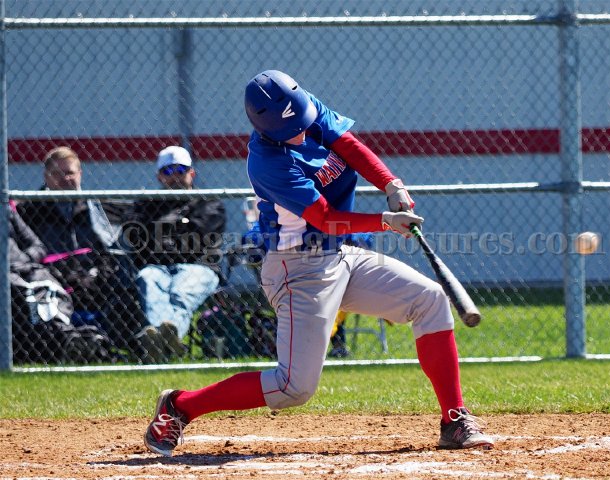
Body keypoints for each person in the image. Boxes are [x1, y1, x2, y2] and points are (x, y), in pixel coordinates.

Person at [143, 70, 493, 456]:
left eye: (302, 123)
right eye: (290, 130)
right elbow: (324, 218)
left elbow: (349, 145)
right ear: (267, 128)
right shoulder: (267, 162)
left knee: (430, 299)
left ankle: (454, 419)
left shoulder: (303, 109)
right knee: (292, 388)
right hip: (297, 270)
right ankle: (180, 407)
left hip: (339, 254)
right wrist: (385, 221)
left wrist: (391, 184)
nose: (301, 133)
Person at [15, 146, 141, 356]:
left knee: (127, 281)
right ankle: (70, 344)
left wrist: (98, 275)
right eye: (58, 174)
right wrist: (59, 275)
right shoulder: (30, 210)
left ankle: (136, 344)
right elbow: (27, 254)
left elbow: (108, 251)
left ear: (80, 174)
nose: (65, 179)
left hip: (93, 283)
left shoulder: (93, 207)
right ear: (46, 177)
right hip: (51, 282)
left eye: (70, 173)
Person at [129, 146, 226, 363]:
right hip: (156, 268)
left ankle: (159, 340)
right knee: (148, 281)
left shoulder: (209, 202)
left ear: (192, 173)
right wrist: (180, 226)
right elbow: (135, 237)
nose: (175, 176)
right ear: (159, 176)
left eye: (181, 170)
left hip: (198, 267)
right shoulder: (146, 204)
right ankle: (169, 340)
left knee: (180, 292)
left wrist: (160, 230)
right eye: (168, 171)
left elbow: (199, 238)